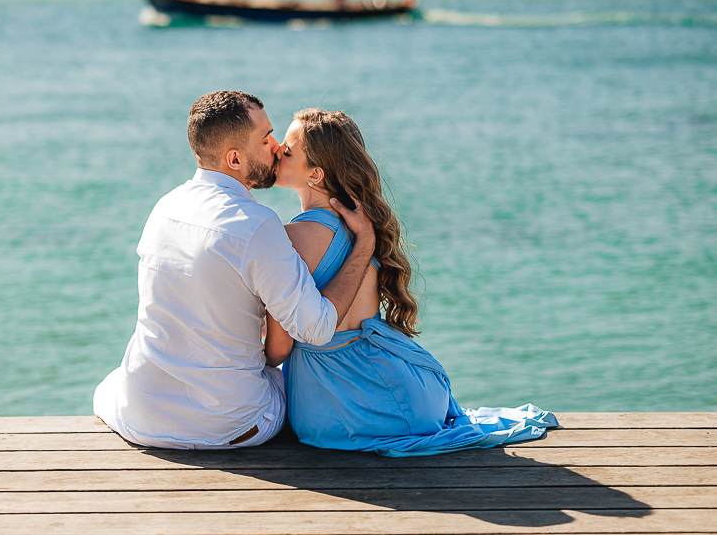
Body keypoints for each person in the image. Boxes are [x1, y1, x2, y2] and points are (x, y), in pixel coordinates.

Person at [265, 108, 559, 456]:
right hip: (401, 388)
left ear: (315, 173)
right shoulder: (360, 227)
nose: (276, 149)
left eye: (287, 151)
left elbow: (277, 351)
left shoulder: (292, 238)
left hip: (339, 406)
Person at [93, 92, 376, 450]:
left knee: (111, 383)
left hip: (142, 417)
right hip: (231, 427)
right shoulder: (259, 226)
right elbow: (317, 328)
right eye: (265, 138)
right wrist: (365, 244)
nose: (276, 146)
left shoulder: (164, 208)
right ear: (235, 158)